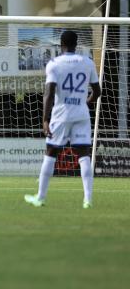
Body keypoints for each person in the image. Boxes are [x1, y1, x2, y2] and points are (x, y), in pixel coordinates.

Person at [24, 30, 101, 209]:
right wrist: (85, 103)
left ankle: (41, 197)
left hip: (61, 115)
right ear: (76, 44)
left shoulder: (54, 63)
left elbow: (49, 93)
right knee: (84, 155)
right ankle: (88, 199)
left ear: (61, 44)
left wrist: (45, 119)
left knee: (50, 152)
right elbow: (97, 92)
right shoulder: (87, 62)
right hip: (81, 114)